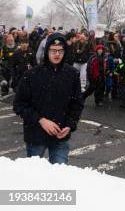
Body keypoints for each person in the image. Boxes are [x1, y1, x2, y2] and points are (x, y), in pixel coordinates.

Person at [13, 33, 84, 164]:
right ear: (47, 51)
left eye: (60, 50)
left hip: (60, 135)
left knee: (59, 178)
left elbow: (77, 103)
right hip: (36, 135)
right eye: (53, 50)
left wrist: (70, 125)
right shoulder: (32, 75)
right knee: (34, 176)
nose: (57, 54)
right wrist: (40, 120)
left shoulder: (72, 74)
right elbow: (19, 105)